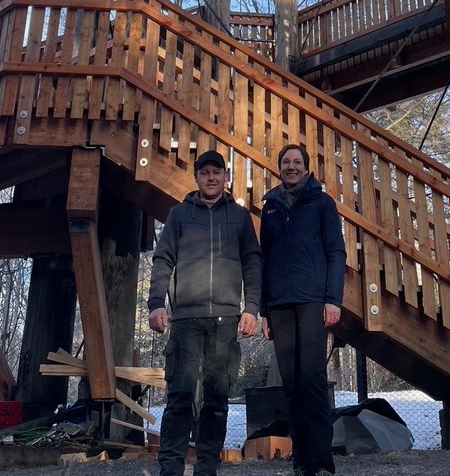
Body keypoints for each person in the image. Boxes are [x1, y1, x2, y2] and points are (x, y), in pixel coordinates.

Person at [148, 150, 261, 476]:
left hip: (225, 322)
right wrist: (156, 303)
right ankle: (169, 469)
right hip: (184, 321)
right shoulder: (178, 215)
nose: (211, 178)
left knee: (215, 401)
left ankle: (206, 469)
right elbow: (163, 259)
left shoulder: (239, 218)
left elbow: (253, 262)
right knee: (180, 397)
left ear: (225, 178)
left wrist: (251, 308)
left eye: (217, 172)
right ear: (197, 177)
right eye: (205, 172)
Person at [260, 142, 346, 476]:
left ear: (306, 168)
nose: (292, 166)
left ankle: (322, 460)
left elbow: (336, 252)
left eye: (297, 162)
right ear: (279, 167)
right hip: (280, 304)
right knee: (292, 384)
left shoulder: (322, 204)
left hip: (313, 301)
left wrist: (332, 299)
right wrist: (265, 309)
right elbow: (264, 259)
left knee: (312, 380)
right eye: (286, 162)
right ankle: (302, 462)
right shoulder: (269, 208)